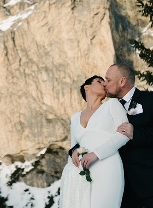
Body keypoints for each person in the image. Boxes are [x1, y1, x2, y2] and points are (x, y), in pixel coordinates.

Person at [71, 64, 153, 207]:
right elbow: (95, 135)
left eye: (108, 80)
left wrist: (136, 133)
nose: (104, 84)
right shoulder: (107, 108)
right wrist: (75, 149)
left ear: (122, 82)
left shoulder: (150, 99)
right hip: (123, 189)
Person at [60, 75, 130, 208]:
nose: (104, 84)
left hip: (107, 166)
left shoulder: (112, 104)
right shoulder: (75, 118)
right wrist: (74, 152)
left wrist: (95, 154)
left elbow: (124, 134)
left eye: (105, 82)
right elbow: (74, 147)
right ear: (87, 87)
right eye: (99, 81)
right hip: (83, 172)